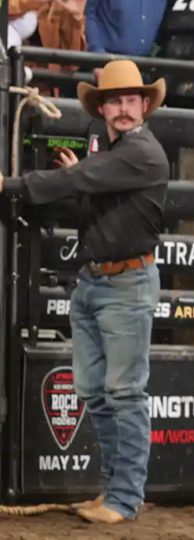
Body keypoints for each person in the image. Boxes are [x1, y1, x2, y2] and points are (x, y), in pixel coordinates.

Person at [2, 60, 168, 523]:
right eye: (114, 100)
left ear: (143, 106)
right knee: (98, 391)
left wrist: (12, 185)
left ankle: (124, 497)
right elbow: (87, 189)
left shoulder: (141, 153)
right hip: (99, 280)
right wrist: (81, 178)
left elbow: (79, 182)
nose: (122, 108)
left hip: (125, 283)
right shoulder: (117, 158)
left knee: (123, 391)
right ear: (104, 108)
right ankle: (115, 488)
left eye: (129, 100)